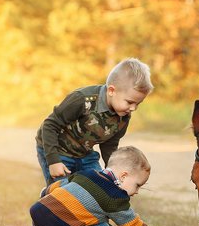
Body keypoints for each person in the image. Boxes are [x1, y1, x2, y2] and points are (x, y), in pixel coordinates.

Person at [30, 146, 171, 226]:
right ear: (123, 176)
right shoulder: (115, 198)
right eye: (137, 185)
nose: (137, 191)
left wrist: (44, 193)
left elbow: (59, 185)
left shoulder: (87, 173)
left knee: (90, 219)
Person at [36, 57, 153, 186]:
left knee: (102, 187)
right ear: (112, 91)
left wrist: (114, 174)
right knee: (63, 193)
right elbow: (50, 125)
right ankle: (47, 199)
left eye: (138, 104)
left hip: (85, 154)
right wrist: (53, 161)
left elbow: (110, 145)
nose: (133, 108)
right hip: (57, 150)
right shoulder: (82, 99)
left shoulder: (124, 115)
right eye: (130, 102)